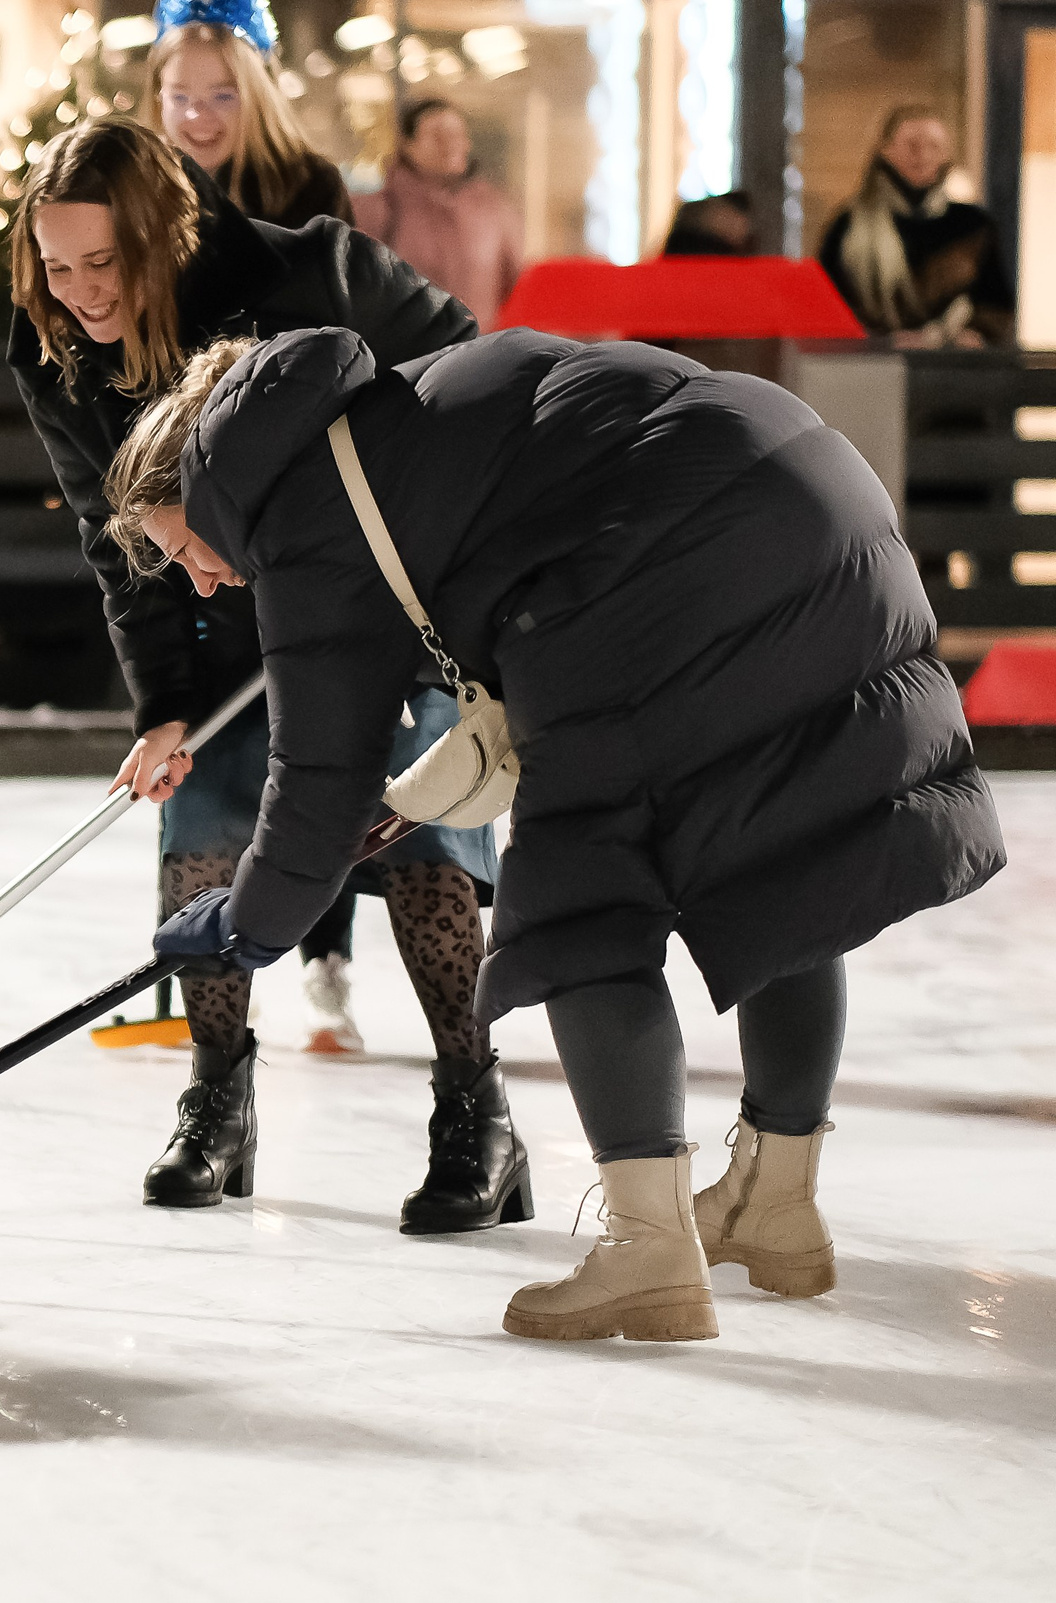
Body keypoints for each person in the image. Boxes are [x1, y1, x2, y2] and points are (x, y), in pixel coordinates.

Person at [106, 325, 1005, 1341]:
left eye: (184, 550)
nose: (202, 583)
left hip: (667, 557)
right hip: (813, 493)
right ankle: (777, 1200)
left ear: (211, 488)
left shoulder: (297, 511)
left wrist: (247, 926)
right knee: (775, 856)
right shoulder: (373, 415)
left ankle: (647, 1249)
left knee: (583, 893)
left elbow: (317, 780)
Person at [6, 116, 522, 1235]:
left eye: (104, 263)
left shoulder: (311, 273)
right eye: (55, 266)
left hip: (398, 598)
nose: (81, 292)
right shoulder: (54, 350)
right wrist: (164, 706)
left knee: (418, 836)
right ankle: (216, 1102)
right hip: (226, 621)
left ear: (161, 240)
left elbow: (466, 376)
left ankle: (475, 1108)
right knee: (206, 822)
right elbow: (121, 541)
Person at [147, 0, 354, 231]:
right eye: (179, 97)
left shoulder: (310, 189)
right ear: (158, 97)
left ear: (258, 99)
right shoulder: (135, 188)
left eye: (222, 96)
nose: (197, 115)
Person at [818, 104, 1015, 347]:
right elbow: (825, 304)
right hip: (871, 363)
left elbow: (997, 307)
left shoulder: (974, 225)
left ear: (946, 154)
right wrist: (878, 340)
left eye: (934, 146)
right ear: (886, 150)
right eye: (912, 145)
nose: (923, 155)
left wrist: (972, 335)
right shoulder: (848, 223)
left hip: (951, 365)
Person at [358, 99, 523, 329]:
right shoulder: (381, 209)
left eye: (458, 135)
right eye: (437, 136)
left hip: (477, 346)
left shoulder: (493, 209)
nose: (451, 145)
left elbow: (511, 278)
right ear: (408, 145)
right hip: (405, 352)